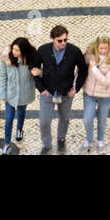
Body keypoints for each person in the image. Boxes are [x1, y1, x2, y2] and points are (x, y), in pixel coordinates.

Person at [33, 24, 88, 153]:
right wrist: (41, 88)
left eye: (65, 40)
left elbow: (83, 70)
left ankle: (61, 140)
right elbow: (34, 69)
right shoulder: (43, 50)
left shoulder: (74, 51)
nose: (63, 43)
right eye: (60, 40)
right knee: (44, 121)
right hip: (47, 93)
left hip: (66, 93)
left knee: (64, 119)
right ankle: (47, 145)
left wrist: (76, 88)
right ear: (53, 39)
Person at [0, 39, 38, 152]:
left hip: (24, 94)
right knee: (9, 119)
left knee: (21, 112)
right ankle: (6, 144)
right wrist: (2, 94)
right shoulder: (6, 59)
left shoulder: (30, 59)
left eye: (17, 50)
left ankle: (19, 129)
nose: (14, 52)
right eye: (13, 49)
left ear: (23, 51)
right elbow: (2, 77)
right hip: (10, 95)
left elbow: (39, 72)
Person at [82, 37, 110, 153]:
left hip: (106, 95)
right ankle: (88, 139)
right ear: (96, 46)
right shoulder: (90, 55)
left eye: (106, 48)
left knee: (102, 119)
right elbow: (81, 67)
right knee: (87, 118)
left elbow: (106, 81)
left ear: (109, 47)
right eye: (101, 48)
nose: (103, 51)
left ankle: (100, 141)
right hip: (89, 93)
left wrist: (94, 69)